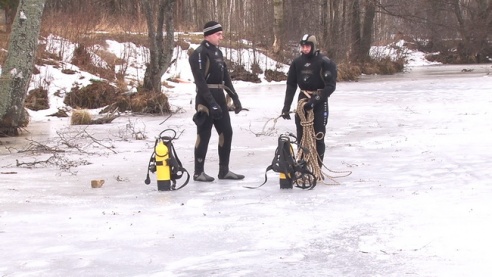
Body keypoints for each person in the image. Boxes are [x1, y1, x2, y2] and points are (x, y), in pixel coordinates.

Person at [188, 21, 244, 182]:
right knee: (203, 135)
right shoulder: (199, 53)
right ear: (209, 35)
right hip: (205, 99)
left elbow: (225, 77)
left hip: (219, 97)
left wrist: (235, 97)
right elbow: (200, 82)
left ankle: (224, 170)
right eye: (218, 34)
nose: (221, 37)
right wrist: (211, 103)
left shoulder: (217, 53)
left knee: (227, 132)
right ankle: (199, 172)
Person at [280, 34, 337, 167]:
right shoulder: (297, 63)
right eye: (303, 46)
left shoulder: (324, 62)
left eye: (307, 46)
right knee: (302, 135)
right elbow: (291, 85)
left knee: (319, 136)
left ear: (313, 46)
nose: (305, 49)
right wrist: (286, 106)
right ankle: (302, 165)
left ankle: (317, 167)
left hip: (319, 101)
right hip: (303, 99)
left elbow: (331, 86)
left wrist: (315, 100)